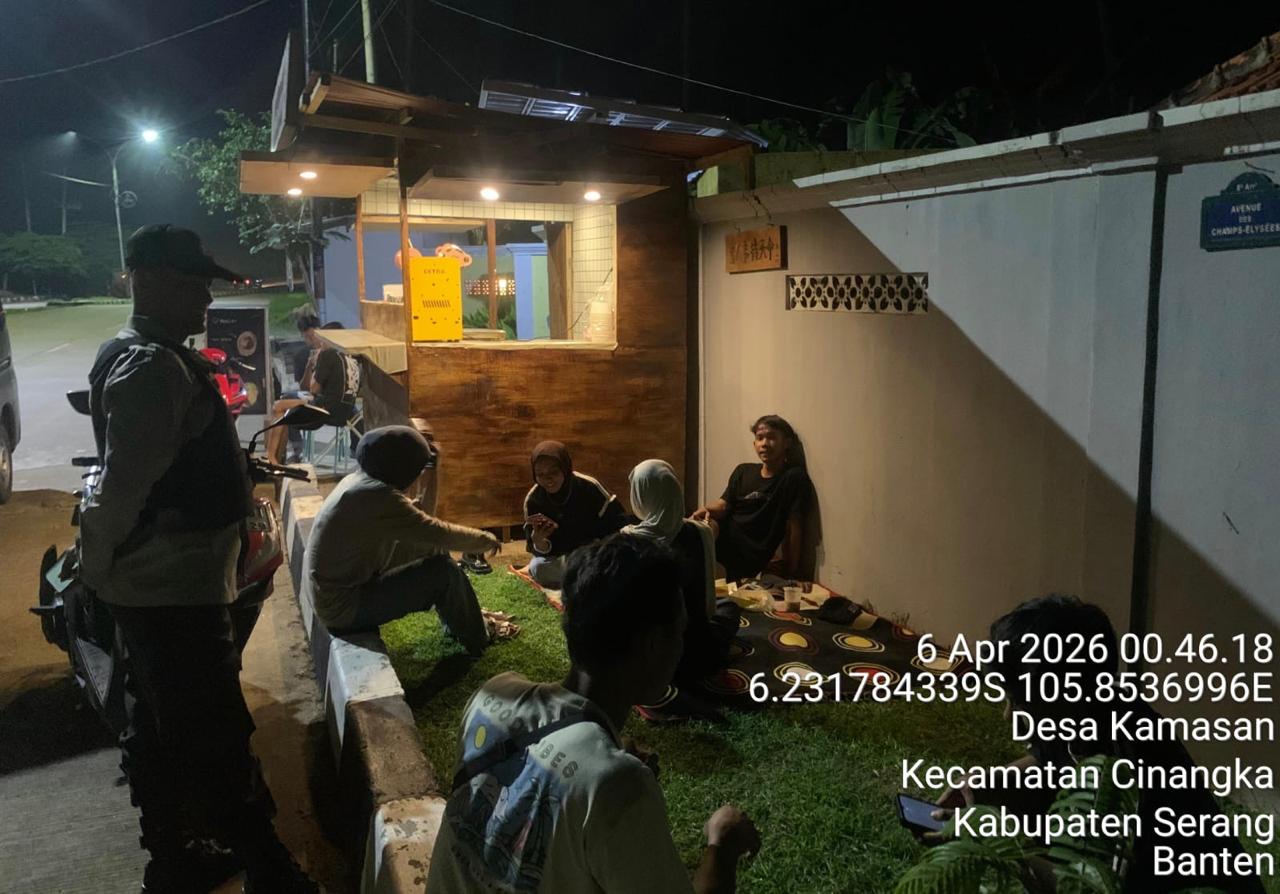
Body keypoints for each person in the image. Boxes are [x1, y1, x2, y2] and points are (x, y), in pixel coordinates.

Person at [79, 224, 317, 892]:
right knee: (216, 735)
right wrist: (96, 569)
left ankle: (175, 862)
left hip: (167, 585)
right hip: (170, 589)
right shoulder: (152, 368)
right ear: (147, 280)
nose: (205, 299)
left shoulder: (157, 357)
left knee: (159, 728)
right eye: (192, 284)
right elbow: (122, 486)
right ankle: (271, 873)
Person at [426, 535, 761, 893]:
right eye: (679, 632)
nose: (681, 647)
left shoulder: (491, 695)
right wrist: (722, 845)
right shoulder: (618, 783)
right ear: (651, 645)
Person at [931, 595, 1265, 893]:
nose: (1008, 715)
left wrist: (994, 850)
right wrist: (984, 786)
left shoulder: (1129, 770)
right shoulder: (1085, 714)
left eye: (1020, 701)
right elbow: (1047, 763)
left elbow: (1088, 885)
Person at [305, 424, 500, 643]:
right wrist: (486, 540)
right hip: (343, 609)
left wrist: (430, 474)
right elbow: (437, 532)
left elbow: (423, 525)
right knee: (444, 573)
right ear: (402, 469)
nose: (417, 476)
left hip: (334, 593)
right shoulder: (377, 496)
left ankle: (462, 619)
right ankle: (479, 637)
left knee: (435, 550)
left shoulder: (358, 481)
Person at [621, 459, 739, 685]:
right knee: (729, 607)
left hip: (645, 655)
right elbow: (707, 607)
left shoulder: (627, 541)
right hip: (695, 652)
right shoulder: (700, 533)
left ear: (640, 494)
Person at [692, 415, 813, 581]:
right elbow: (723, 505)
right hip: (723, 539)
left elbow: (794, 525)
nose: (764, 443)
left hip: (749, 554)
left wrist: (793, 571)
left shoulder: (793, 478)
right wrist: (703, 511)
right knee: (696, 527)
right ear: (754, 444)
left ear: (787, 443)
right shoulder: (743, 471)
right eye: (759, 438)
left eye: (771, 437)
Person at [521, 440, 627, 588]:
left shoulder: (588, 486)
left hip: (593, 553)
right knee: (538, 567)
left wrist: (597, 549)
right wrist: (539, 542)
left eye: (553, 472)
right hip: (563, 559)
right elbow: (541, 553)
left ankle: (587, 576)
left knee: (617, 560)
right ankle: (587, 577)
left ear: (565, 468)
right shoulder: (534, 500)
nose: (547, 479)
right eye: (540, 474)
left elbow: (616, 524)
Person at [265, 313, 361, 464]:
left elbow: (314, 389)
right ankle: (279, 458)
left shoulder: (327, 354)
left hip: (325, 410)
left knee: (278, 406)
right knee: (286, 406)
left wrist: (317, 365)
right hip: (347, 412)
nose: (319, 341)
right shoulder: (351, 358)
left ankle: (272, 457)